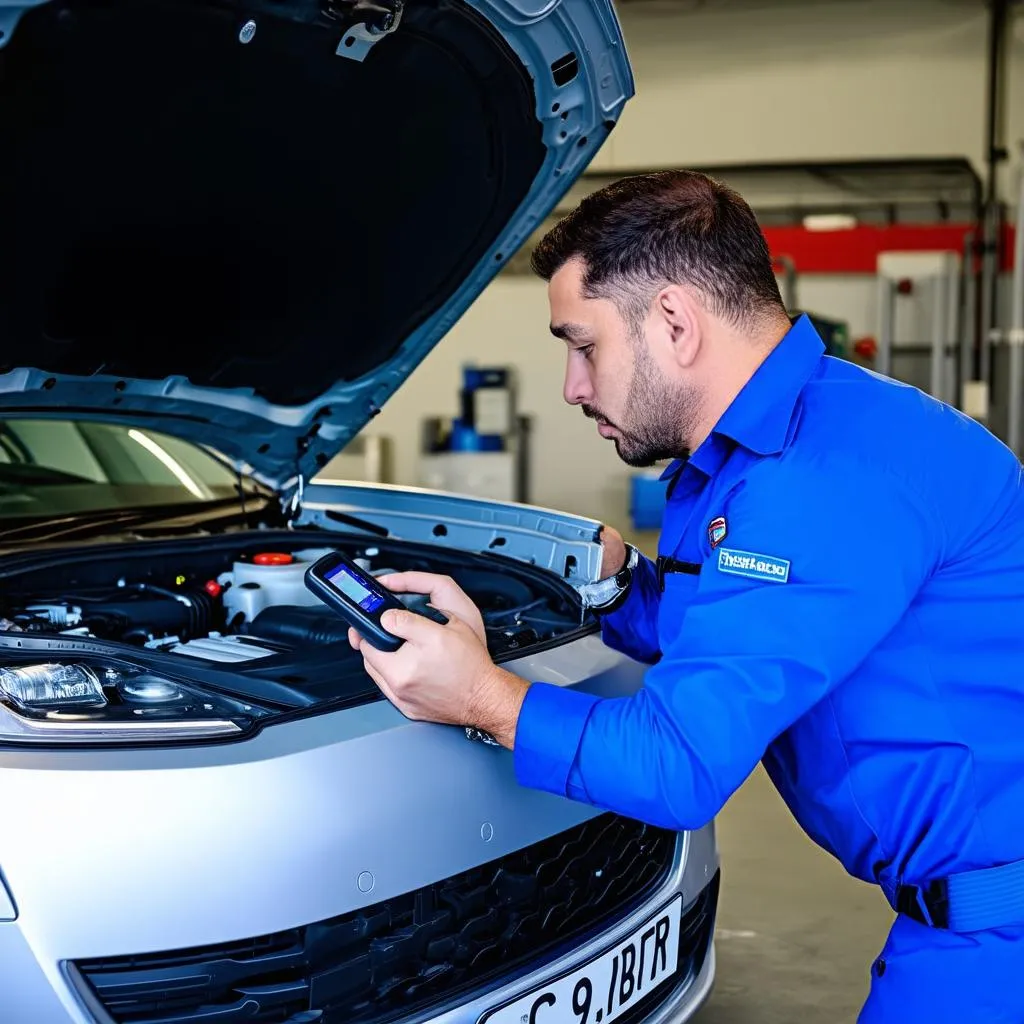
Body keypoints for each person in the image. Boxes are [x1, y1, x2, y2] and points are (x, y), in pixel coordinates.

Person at [348, 170, 1024, 1022]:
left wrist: (483, 696)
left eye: (582, 344)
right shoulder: (760, 452)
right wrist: (619, 585)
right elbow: (740, 630)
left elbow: (678, 765)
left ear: (673, 321)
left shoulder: (823, 477)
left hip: (997, 942)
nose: (572, 386)